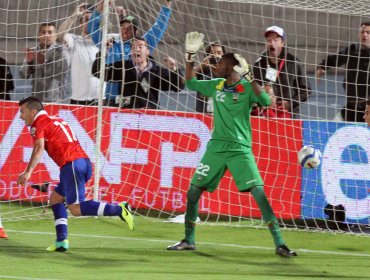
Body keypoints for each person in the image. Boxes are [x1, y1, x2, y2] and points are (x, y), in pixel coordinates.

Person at [166, 32, 297, 257]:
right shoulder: (216, 85)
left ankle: (280, 243)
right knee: (193, 192)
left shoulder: (246, 89)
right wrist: (189, 56)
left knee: (259, 193)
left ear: (233, 68)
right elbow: (189, 82)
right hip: (216, 148)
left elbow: (266, 101)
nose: (217, 65)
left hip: (239, 149)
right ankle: (188, 239)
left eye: (222, 63)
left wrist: (249, 76)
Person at [17, 96, 134, 252]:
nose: (21, 116)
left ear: (33, 111)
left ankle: (120, 210)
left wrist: (28, 171)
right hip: (82, 163)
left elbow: (39, 148)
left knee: (76, 209)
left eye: (22, 111)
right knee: (56, 199)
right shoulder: (55, 119)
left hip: (71, 165)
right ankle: (61, 241)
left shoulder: (38, 124)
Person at [88, 0, 173, 106]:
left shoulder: (141, 45)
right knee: (113, 117)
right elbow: (92, 28)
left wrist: (166, 7)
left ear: (136, 32)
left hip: (135, 99)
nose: (125, 31)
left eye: (130, 28)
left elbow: (158, 28)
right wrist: (99, 8)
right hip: (112, 98)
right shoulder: (109, 43)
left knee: (131, 110)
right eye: (122, 28)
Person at [92, 36, 184, 109]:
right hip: (126, 115)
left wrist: (174, 69)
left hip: (149, 118)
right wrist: (103, 52)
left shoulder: (158, 72)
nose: (137, 49)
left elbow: (178, 87)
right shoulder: (123, 67)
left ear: (147, 51)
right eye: (133, 47)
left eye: (140, 46)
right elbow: (97, 72)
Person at [317, 22, 370, 122]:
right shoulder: (352, 50)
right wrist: (323, 66)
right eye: (362, 32)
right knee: (333, 128)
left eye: (368, 32)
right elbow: (336, 58)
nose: (365, 35)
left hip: (368, 108)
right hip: (350, 105)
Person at [253, 25, 311, 118]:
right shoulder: (259, 64)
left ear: (283, 43)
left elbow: (305, 90)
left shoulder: (294, 63)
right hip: (266, 114)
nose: (272, 43)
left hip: (290, 114)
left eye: (276, 40)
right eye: (269, 40)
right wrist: (264, 99)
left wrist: (290, 104)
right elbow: (254, 91)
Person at [57, 3, 103, 106]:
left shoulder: (105, 41)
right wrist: (74, 15)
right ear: (80, 23)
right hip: (78, 101)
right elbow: (59, 36)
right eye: (86, 20)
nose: (90, 23)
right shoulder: (74, 40)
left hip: (101, 101)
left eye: (92, 20)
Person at [19, 21, 69, 103]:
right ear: (39, 35)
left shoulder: (61, 51)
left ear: (55, 35)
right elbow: (23, 75)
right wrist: (29, 62)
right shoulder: (33, 51)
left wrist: (43, 62)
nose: (46, 35)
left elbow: (60, 75)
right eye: (43, 32)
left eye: (50, 32)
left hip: (56, 100)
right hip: (36, 99)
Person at [195, 42, 226, 113]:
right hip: (203, 114)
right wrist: (202, 65)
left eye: (219, 53)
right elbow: (186, 80)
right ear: (207, 56)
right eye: (213, 53)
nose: (216, 55)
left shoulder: (229, 73)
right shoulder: (201, 71)